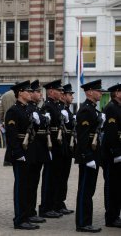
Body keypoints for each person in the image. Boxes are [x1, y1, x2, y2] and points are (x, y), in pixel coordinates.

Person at [5, 80, 39, 230]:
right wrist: (17, 153)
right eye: (27, 91)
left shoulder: (26, 110)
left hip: (30, 152)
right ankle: (19, 219)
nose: (30, 93)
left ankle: (26, 216)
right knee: (21, 187)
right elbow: (12, 135)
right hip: (21, 154)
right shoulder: (13, 111)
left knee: (28, 187)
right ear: (20, 93)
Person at [74, 79, 105, 233]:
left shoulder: (93, 109)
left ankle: (86, 221)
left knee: (89, 190)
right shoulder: (86, 110)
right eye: (98, 91)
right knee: (85, 191)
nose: (100, 93)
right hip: (88, 156)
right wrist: (87, 156)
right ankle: (82, 223)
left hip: (94, 154)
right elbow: (83, 137)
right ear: (89, 92)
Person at [39, 79, 65, 219]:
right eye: (58, 90)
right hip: (51, 145)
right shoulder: (47, 106)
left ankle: (54, 205)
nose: (60, 92)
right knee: (49, 178)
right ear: (50, 91)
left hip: (58, 145)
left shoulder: (57, 105)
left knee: (56, 177)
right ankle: (45, 207)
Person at [26, 80, 50, 224]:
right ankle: (28, 212)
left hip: (38, 151)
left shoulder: (36, 108)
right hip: (31, 151)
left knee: (34, 183)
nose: (40, 94)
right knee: (29, 184)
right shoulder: (29, 109)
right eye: (37, 92)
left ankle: (31, 211)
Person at [101, 83, 121, 228]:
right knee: (112, 187)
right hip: (112, 155)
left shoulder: (118, 107)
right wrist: (116, 153)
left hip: (118, 153)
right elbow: (111, 134)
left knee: (118, 188)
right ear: (117, 93)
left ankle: (115, 215)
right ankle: (111, 218)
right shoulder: (111, 108)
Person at [57, 83, 75, 215]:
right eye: (70, 94)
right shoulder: (59, 108)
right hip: (60, 146)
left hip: (67, 147)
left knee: (64, 176)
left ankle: (60, 202)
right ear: (63, 96)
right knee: (58, 177)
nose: (72, 97)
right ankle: (54, 203)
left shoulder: (67, 109)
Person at [0, 89, 16, 166]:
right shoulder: (17, 94)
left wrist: (0, 120)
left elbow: (1, 109)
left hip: (7, 121)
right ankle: (10, 159)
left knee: (8, 140)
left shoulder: (5, 95)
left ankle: (8, 159)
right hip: (16, 120)